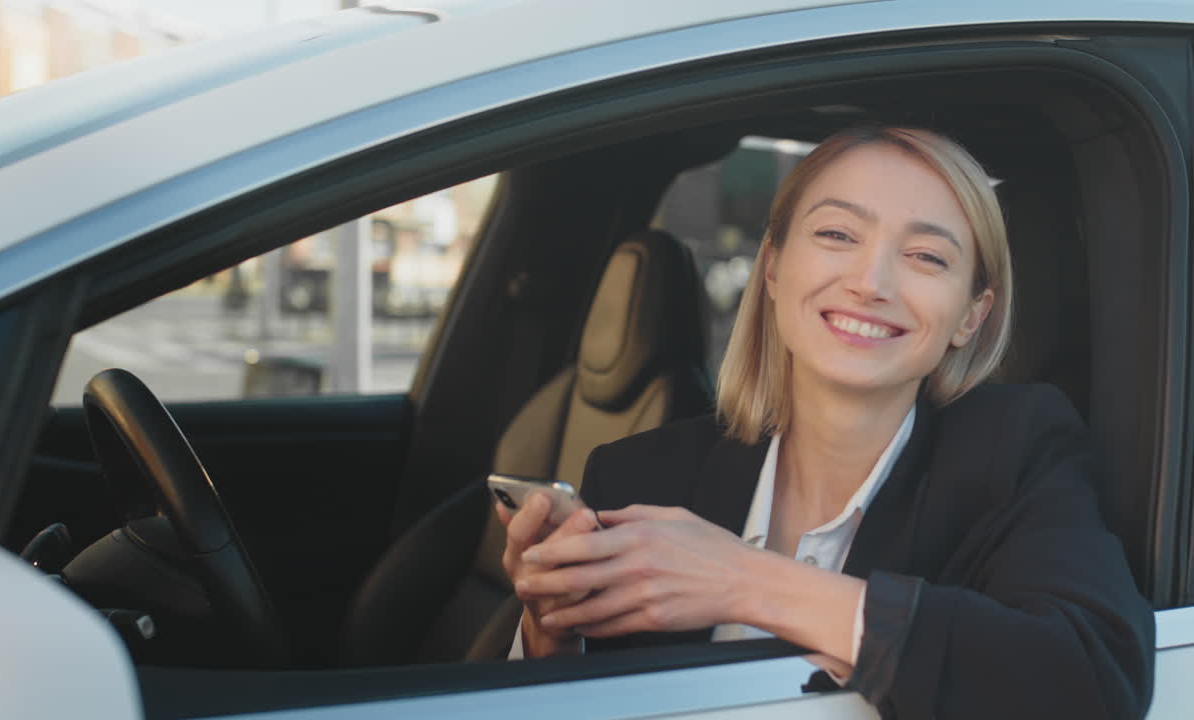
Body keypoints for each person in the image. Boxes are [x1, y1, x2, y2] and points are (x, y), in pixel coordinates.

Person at [495, 126, 1155, 719]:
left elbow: (1094, 683)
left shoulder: (1018, 452)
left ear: (970, 318)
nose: (872, 281)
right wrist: (555, 634)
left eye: (927, 256)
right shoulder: (636, 472)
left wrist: (745, 580)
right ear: (775, 268)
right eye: (838, 235)